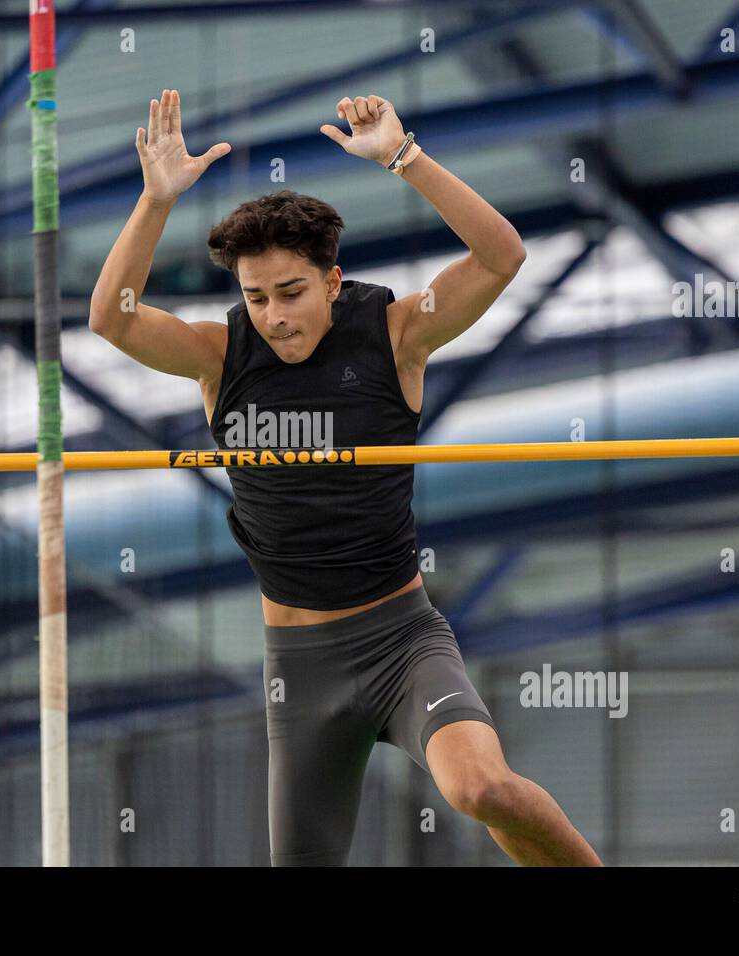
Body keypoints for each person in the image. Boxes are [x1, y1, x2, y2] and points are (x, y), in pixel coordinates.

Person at [89, 88, 602, 867]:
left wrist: (404, 157)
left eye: (291, 293)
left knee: (481, 791)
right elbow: (113, 319)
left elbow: (503, 256)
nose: (274, 316)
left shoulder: (396, 334)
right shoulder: (220, 356)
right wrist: (158, 200)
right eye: (255, 297)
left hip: (402, 640)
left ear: (332, 281)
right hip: (299, 664)